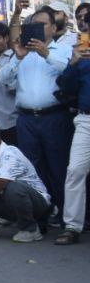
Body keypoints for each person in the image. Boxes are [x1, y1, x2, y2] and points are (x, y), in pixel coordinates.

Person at [0, 4, 73, 224]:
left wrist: (47, 54)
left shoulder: (64, 50)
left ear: (53, 27)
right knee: (32, 169)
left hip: (55, 117)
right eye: (33, 25)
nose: (38, 28)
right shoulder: (24, 53)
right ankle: (40, 215)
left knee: (59, 168)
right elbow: (3, 79)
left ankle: (65, 216)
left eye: (42, 24)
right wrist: (19, 58)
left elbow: (70, 73)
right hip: (26, 119)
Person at [54, 34, 90, 245]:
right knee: (75, 171)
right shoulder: (82, 56)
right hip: (86, 119)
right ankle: (72, 226)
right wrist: (73, 63)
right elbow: (66, 87)